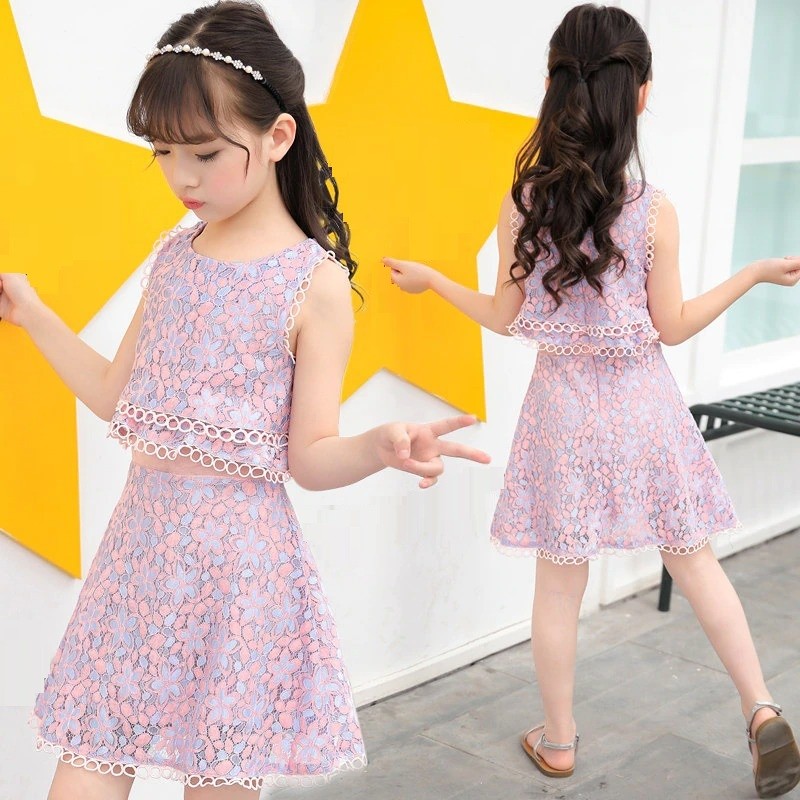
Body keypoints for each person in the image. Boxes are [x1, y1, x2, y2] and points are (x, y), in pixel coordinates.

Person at [0, 2, 490, 797]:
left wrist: (379, 446)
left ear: (278, 137)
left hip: (240, 580)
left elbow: (309, 458)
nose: (181, 177)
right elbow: (120, 397)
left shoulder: (313, 284)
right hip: (138, 562)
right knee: (82, 772)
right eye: (162, 152)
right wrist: (34, 314)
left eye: (203, 152)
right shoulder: (174, 254)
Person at [383, 4, 800, 797]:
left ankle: (560, 740)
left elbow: (504, 317)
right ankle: (761, 709)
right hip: (645, 406)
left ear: (553, 86)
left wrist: (435, 283)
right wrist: (750, 275)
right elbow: (672, 328)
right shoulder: (654, 210)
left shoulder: (524, 202)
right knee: (694, 558)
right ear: (639, 94)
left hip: (562, 413)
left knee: (558, 584)